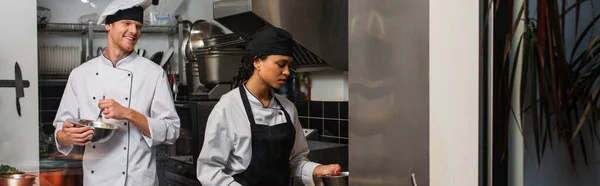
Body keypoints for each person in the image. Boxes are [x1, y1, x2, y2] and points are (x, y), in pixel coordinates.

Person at [52, 0, 180, 185]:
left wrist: (128, 113)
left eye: (138, 26)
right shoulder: (80, 74)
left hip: (137, 180)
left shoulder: (153, 73)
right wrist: (66, 136)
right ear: (108, 25)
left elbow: (172, 131)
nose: (134, 31)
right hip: (96, 180)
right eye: (126, 23)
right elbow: (61, 128)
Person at [196, 25, 341, 186]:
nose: (287, 71)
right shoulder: (228, 108)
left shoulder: (287, 108)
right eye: (281, 64)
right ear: (258, 62)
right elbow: (210, 172)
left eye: (289, 65)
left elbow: (295, 161)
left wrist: (317, 170)